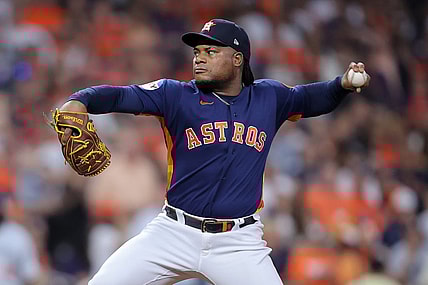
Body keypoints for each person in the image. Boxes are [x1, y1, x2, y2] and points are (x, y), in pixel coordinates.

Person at [58, 19, 369, 285]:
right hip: (173, 232)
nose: (199, 58)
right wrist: (81, 98)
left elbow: (311, 98)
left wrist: (342, 84)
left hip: (238, 242)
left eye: (211, 51)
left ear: (237, 59)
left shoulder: (268, 97)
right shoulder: (175, 95)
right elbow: (121, 96)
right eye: (197, 52)